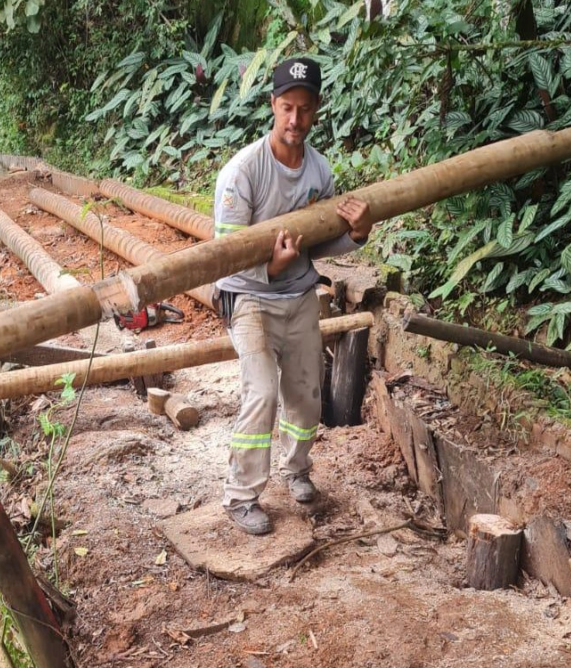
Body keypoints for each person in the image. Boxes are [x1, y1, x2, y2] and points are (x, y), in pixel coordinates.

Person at [213, 57, 373, 535]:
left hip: (299, 295)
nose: (294, 120)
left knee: (305, 395)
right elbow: (225, 255)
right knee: (261, 391)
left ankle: (297, 469)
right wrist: (269, 265)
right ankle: (241, 496)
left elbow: (324, 242)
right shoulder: (242, 173)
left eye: (304, 109)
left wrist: (358, 235)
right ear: (272, 106)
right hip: (249, 298)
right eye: (286, 108)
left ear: (317, 110)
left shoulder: (319, 172)